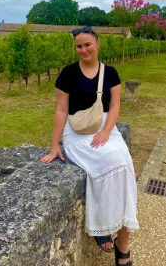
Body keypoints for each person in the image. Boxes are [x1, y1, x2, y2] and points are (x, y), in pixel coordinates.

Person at [40, 27, 138, 265]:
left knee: (124, 166)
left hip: (106, 128)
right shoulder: (67, 74)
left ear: (97, 44)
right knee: (106, 164)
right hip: (77, 132)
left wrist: (106, 131)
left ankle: (122, 242)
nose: (83, 49)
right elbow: (62, 110)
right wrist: (55, 145)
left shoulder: (111, 73)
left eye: (87, 44)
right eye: (79, 46)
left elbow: (114, 107)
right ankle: (102, 226)